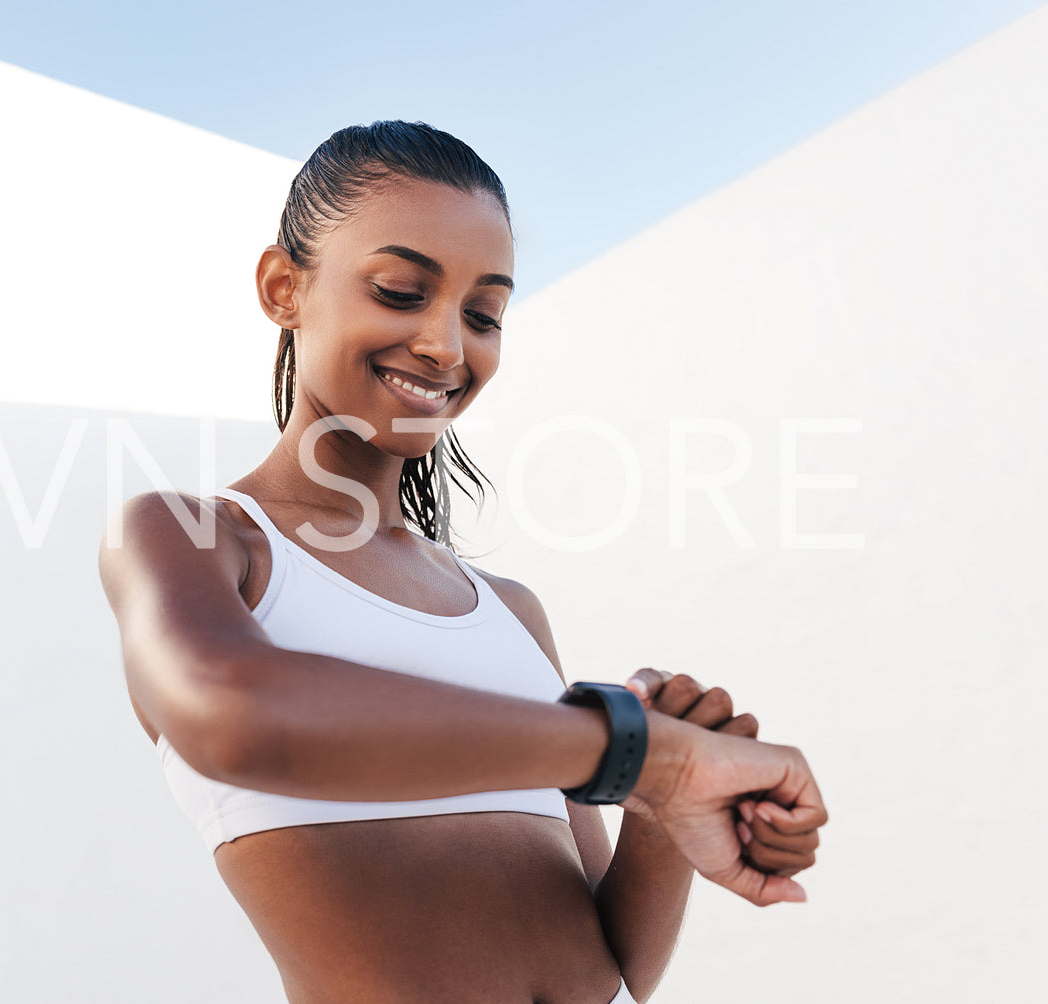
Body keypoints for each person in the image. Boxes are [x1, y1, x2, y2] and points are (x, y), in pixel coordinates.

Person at [98, 121, 826, 1004]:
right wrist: (646, 754)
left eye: (483, 313)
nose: (448, 345)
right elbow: (230, 717)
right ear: (283, 287)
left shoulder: (508, 611)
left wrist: (666, 813)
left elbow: (618, 963)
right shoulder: (200, 537)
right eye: (402, 292)